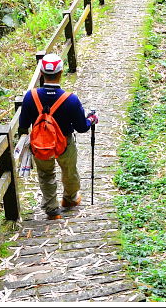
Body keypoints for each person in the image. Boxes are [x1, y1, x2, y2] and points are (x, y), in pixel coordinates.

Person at [19, 53, 98, 220]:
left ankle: (52, 210)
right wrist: (91, 119)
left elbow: (23, 124)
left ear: (41, 73)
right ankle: (69, 200)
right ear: (61, 73)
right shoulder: (71, 99)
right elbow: (82, 127)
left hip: (41, 145)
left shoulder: (30, 96)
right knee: (69, 171)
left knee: (46, 175)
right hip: (64, 143)